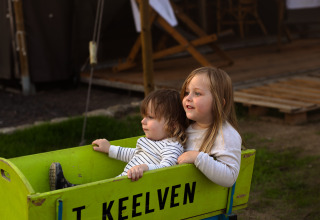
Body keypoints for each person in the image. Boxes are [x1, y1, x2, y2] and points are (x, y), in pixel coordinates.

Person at [49, 89, 187, 190]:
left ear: (172, 125)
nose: (143, 121)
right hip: (123, 184)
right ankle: (68, 190)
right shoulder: (150, 141)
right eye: (144, 116)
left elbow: (168, 169)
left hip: (135, 191)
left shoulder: (172, 147)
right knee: (97, 192)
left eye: (150, 117)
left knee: (96, 194)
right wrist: (110, 149)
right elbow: (133, 154)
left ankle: (67, 190)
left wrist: (145, 168)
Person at [177, 66, 242, 188]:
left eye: (197, 93)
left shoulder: (225, 135)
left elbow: (230, 177)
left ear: (219, 103)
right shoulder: (185, 128)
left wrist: (197, 157)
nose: (188, 98)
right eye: (187, 92)